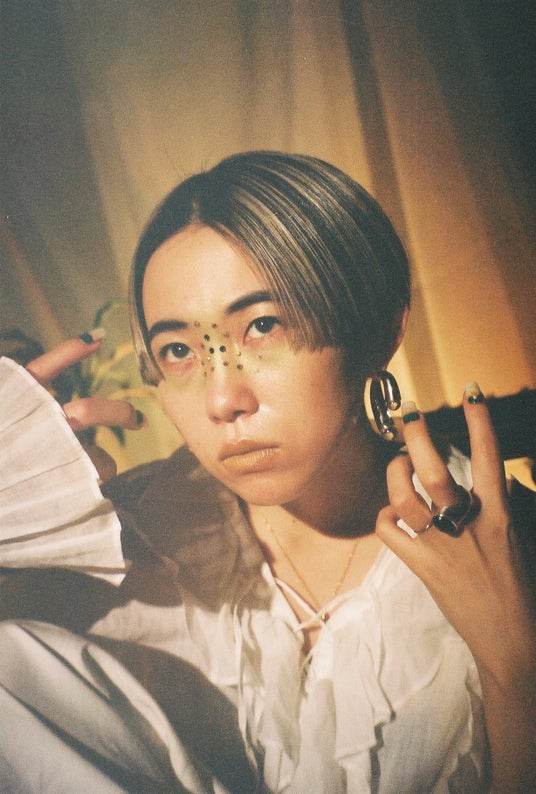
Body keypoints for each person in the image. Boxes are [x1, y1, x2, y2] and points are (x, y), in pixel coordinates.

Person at [0, 151, 534, 793]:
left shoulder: (504, 551)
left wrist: (513, 666)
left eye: (262, 326)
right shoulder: (133, 544)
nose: (223, 399)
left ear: (379, 329)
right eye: (178, 350)